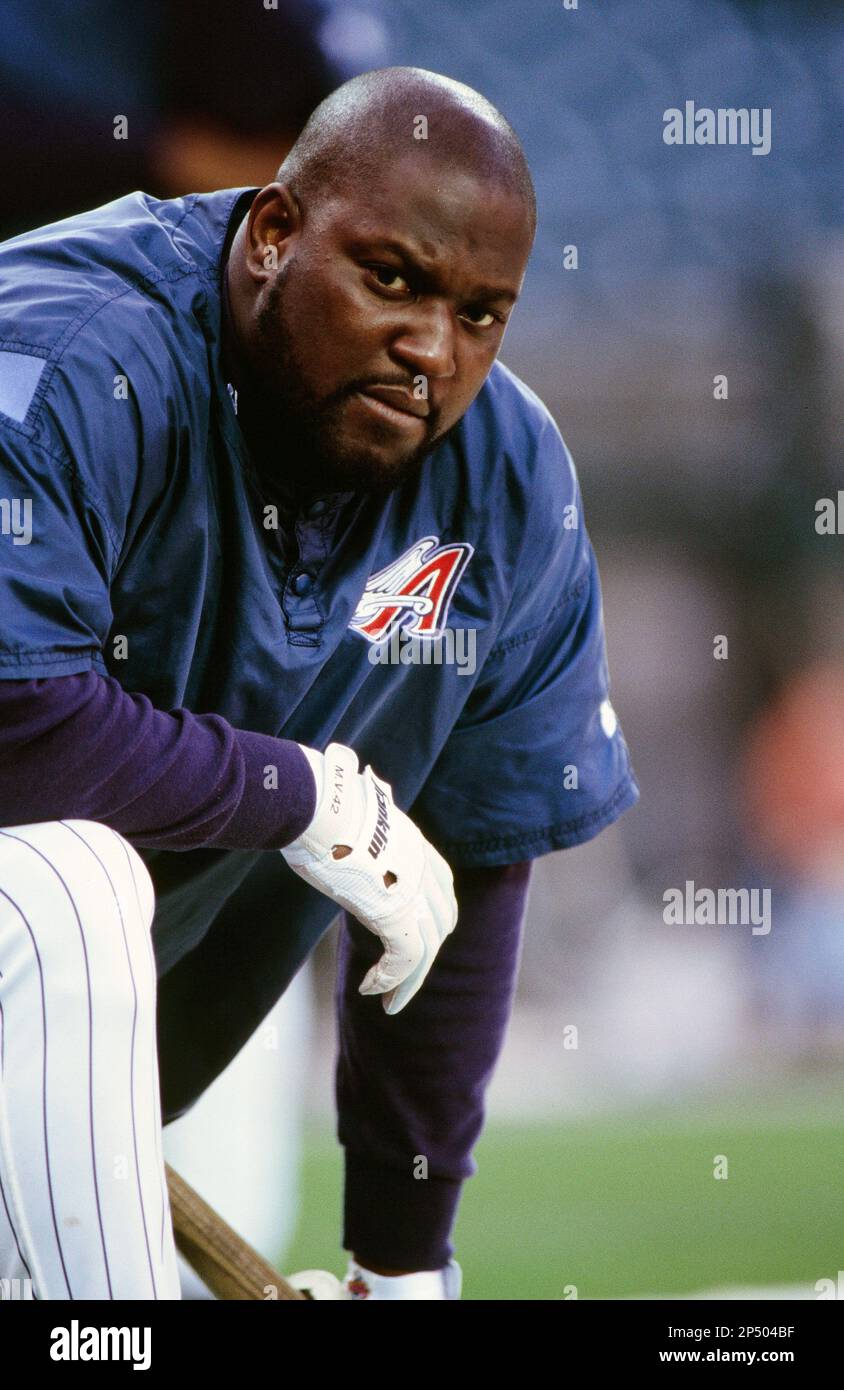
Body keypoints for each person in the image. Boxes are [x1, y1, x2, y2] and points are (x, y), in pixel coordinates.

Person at [0, 66, 638, 1300]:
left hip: (56, 1092)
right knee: (66, 886)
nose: (428, 350)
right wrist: (297, 796)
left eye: (481, 313)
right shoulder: (63, 352)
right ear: (272, 233)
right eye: (391, 279)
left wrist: (401, 1266)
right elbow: (12, 717)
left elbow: (458, 879)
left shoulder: (503, 483)